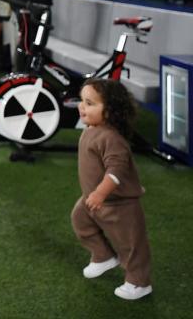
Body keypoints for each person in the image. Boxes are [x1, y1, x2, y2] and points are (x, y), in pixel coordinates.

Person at [70, 79, 152, 301]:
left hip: (119, 203)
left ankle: (138, 282)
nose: (82, 107)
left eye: (89, 103)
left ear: (110, 111)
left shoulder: (111, 138)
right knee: (80, 220)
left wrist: (100, 193)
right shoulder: (92, 129)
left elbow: (115, 171)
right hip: (93, 199)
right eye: (82, 101)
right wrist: (93, 195)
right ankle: (103, 256)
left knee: (131, 244)